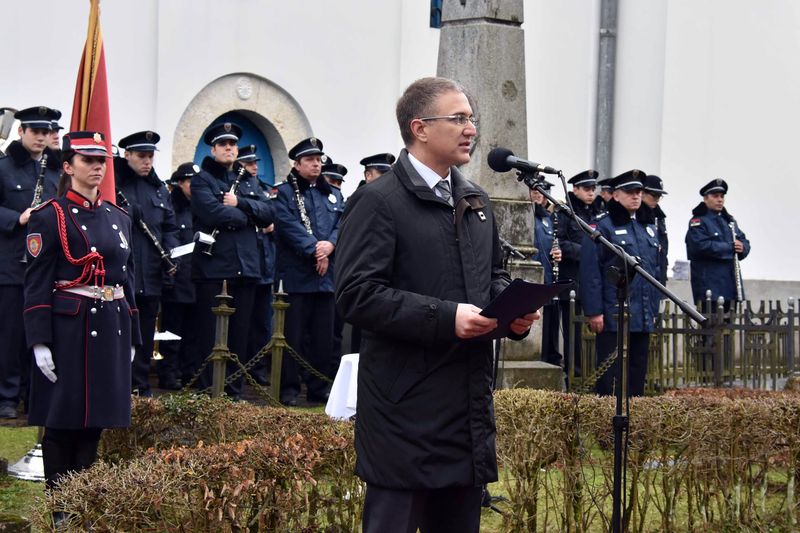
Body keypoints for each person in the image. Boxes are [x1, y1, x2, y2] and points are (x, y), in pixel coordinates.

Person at [335, 77, 539, 533]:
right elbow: (356, 294)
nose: (471, 129)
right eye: (459, 118)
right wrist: (447, 318)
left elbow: (491, 275)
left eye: (472, 119)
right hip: (404, 408)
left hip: (463, 406)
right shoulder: (379, 201)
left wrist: (513, 315)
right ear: (420, 127)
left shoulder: (474, 199)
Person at [23, 131, 141, 516]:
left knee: (96, 422)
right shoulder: (50, 216)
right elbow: (37, 282)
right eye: (88, 160)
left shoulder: (119, 216)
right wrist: (39, 340)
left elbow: (127, 279)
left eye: (102, 161)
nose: (96, 167)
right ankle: (61, 510)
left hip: (111, 327)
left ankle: (83, 507)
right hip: (69, 330)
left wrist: (134, 335)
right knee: (62, 423)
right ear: (68, 166)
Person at [191, 122, 273, 398]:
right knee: (209, 333)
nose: (229, 148)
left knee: (240, 333)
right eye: (223, 144)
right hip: (215, 268)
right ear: (213, 149)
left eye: (232, 144)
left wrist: (242, 205)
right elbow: (213, 213)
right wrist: (247, 219)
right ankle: (208, 389)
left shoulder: (247, 179)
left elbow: (268, 213)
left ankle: (234, 389)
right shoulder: (203, 179)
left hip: (246, 267)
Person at [0, 106, 61, 419]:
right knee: (10, 335)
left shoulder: (55, 171)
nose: (41, 138)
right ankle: (7, 396)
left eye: (46, 132)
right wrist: (17, 218)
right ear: (21, 131)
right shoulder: (4, 168)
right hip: (12, 264)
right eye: (35, 132)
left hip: (45, 267)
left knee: (38, 331)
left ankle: (32, 394)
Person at [273, 137, 344, 406]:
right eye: (310, 160)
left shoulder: (333, 193)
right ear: (297, 164)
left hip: (326, 278)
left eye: (318, 160)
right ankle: (289, 388)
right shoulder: (284, 193)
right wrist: (315, 249)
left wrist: (331, 245)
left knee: (323, 338)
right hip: (296, 276)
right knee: (293, 335)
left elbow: (341, 223)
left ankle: (318, 387)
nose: (316, 164)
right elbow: (287, 225)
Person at [580, 169, 660, 396]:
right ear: (615, 195)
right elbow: (591, 271)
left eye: (639, 192)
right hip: (614, 311)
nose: (635, 196)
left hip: (641, 311)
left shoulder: (647, 228)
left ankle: (635, 416)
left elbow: (653, 272)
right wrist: (594, 311)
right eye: (629, 192)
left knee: (638, 369)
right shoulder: (602, 227)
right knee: (610, 373)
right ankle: (606, 420)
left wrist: (652, 308)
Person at [115, 130, 179, 395]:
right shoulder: (116, 185)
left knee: (144, 333)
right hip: (123, 272)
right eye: (141, 156)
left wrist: (171, 254)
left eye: (150, 156)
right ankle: (118, 384)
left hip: (152, 272)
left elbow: (170, 227)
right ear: (127, 154)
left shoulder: (159, 188)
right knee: (119, 333)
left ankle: (140, 385)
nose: (147, 162)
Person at [554, 169, 603, 377]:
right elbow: (559, 242)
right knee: (573, 332)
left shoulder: (596, 213)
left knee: (592, 330)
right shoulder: (565, 211)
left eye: (593, 189)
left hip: (591, 281)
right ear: (575, 189)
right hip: (572, 279)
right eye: (586, 189)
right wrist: (587, 253)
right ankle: (574, 372)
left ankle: (592, 370)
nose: (591, 193)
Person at [237, 145, 276, 387]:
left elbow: (272, 217)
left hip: (266, 263)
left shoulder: (262, 190)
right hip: (247, 264)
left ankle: (257, 367)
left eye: (255, 163)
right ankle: (240, 368)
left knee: (262, 323)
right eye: (248, 163)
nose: (254, 167)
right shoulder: (236, 190)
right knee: (244, 322)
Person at [158, 162, 199, 389]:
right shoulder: (172, 207)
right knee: (172, 331)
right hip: (177, 277)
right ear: (180, 182)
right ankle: (168, 373)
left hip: (196, 278)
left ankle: (189, 371)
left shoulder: (200, 207)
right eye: (190, 182)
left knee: (192, 332)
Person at [685, 178, 750, 311]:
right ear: (706, 198)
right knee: (710, 327)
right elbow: (699, 246)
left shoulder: (729, 221)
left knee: (729, 327)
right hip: (709, 286)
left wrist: (742, 248)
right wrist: (729, 247)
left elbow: (743, 240)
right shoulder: (698, 221)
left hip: (730, 286)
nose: (720, 199)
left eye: (722, 196)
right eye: (715, 196)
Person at [530, 182, 563, 367]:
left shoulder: (547, 218)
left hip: (548, 279)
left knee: (550, 329)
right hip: (534, 280)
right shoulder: (528, 216)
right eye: (534, 191)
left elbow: (551, 245)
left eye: (541, 191)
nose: (538, 195)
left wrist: (557, 253)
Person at [642, 174, 669, 286]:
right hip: (644, 272)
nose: (657, 200)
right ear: (642, 193)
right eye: (654, 196)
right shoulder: (638, 215)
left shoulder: (659, 216)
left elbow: (663, 245)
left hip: (658, 272)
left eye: (659, 196)